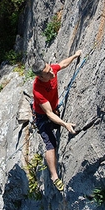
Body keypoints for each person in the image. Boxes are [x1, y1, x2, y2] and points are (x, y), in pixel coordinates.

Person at [32, 50, 82, 191]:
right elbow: (48, 113)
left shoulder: (51, 70)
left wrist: (75, 55)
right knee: (51, 143)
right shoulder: (38, 90)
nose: (52, 73)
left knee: (57, 128)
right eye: (48, 73)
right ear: (40, 77)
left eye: (50, 69)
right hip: (42, 116)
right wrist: (65, 124)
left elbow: (62, 64)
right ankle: (54, 176)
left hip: (53, 110)